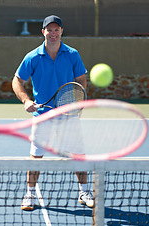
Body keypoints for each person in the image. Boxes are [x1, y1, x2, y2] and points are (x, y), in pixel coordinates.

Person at [12, 15, 94, 210]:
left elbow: (81, 79)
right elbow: (17, 81)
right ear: (43, 32)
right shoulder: (32, 57)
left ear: (61, 31)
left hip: (68, 114)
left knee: (78, 154)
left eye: (57, 29)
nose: (53, 33)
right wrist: (26, 100)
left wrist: (79, 101)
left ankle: (84, 191)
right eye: (49, 30)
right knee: (36, 155)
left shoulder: (73, 54)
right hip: (43, 115)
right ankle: (30, 194)